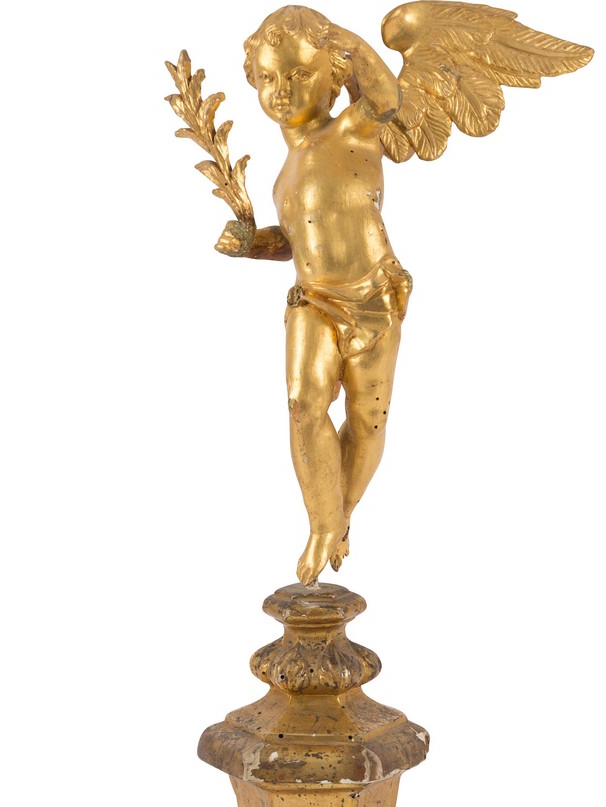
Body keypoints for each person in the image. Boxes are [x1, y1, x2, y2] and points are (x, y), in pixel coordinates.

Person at [215, 6, 411, 587]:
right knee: (304, 404)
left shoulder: (354, 129)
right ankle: (323, 523)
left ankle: (341, 512)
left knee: (367, 421)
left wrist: (337, 38)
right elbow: (296, 243)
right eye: (269, 77)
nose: (282, 90)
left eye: (300, 74)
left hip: (373, 298)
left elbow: (387, 97)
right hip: (312, 301)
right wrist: (251, 245)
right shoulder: (285, 174)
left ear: (332, 77)